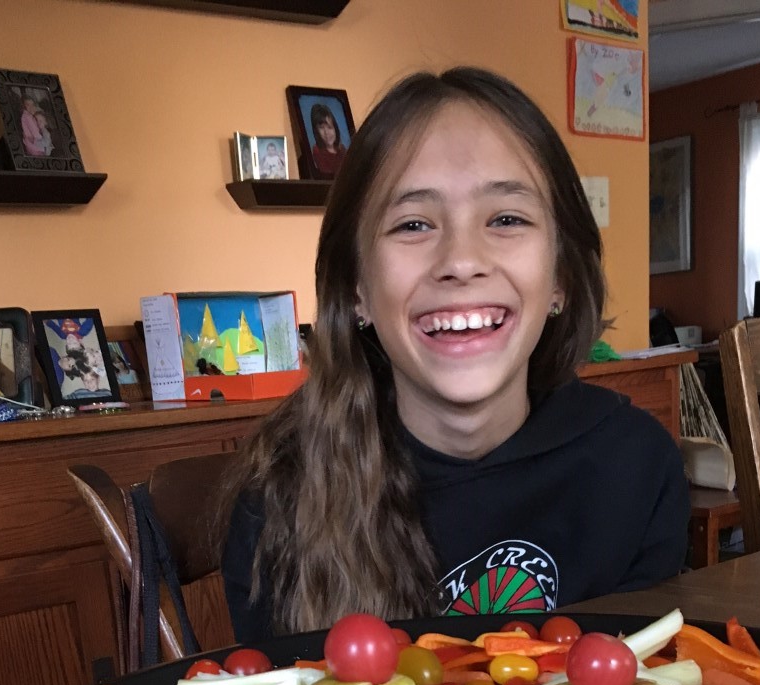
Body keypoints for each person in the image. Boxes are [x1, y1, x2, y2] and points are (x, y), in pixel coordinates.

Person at [222, 66, 689, 643]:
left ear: (562, 275)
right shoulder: (279, 502)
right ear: (356, 288)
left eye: (507, 219)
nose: (462, 260)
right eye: (413, 223)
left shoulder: (637, 467)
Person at [309, 102, 347, 177]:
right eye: (322, 128)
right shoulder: (316, 150)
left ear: (335, 129)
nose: (326, 133)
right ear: (316, 131)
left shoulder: (342, 149)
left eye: (329, 127)